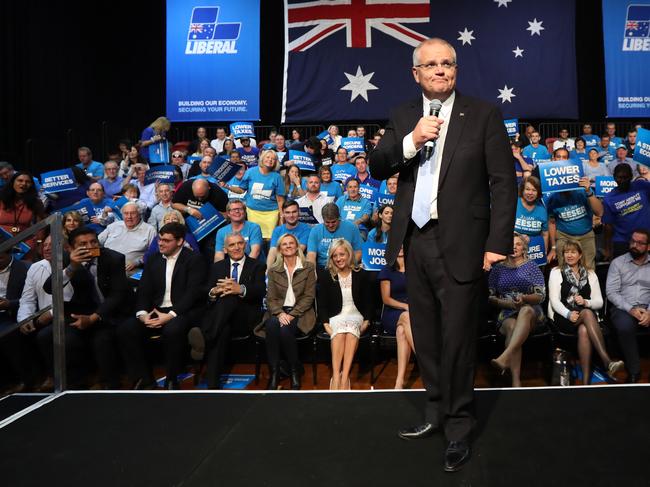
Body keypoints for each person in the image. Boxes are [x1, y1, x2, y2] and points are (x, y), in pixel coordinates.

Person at [369, 37, 516, 471]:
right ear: (416, 74)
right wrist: (412, 140)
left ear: (456, 70)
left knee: (457, 340)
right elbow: (379, 166)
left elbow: (503, 184)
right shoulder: (402, 115)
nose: (439, 70)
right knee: (428, 338)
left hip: (465, 245)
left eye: (447, 63)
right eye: (430, 65)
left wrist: (496, 244)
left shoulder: (484, 114)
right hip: (416, 243)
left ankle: (458, 427)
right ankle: (434, 412)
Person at [40, 227, 132, 389]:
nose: (90, 246)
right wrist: (72, 267)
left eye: (93, 242)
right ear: (71, 248)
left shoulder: (113, 258)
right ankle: (73, 382)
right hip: (85, 311)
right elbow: (49, 287)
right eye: (83, 244)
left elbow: (117, 296)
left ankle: (111, 383)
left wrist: (93, 318)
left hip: (111, 312)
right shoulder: (67, 259)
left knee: (101, 340)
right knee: (50, 335)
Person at [118, 222, 206, 389]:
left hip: (182, 310)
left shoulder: (194, 259)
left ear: (180, 241)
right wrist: (142, 314)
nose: (161, 243)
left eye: (166, 240)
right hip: (155, 309)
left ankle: (172, 378)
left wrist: (171, 315)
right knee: (126, 329)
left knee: (173, 330)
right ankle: (145, 379)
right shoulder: (153, 259)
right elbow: (144, 290)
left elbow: (193, 294)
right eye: (160, 239)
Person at [188, 232, 266, 389]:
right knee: (221, 330)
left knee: (230, 297)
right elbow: (205, 291)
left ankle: (205, 336)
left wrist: (240, 289)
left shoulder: (257, 265)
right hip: (222, 320)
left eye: (239, 243)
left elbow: (260, 290)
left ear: (245, 245)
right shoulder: (217, 267)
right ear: (225, 249)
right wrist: (214, 291)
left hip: (245, 317)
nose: (236, 247)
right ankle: (213, 384)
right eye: (232, 245)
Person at [548, 239, 624, 384]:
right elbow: (554, 301)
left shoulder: (590, 274)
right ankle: (607, 361)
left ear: (580, 255)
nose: (569, 255)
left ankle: (585, 383)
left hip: (585, 318)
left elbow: (599, 302)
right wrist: (568, 314)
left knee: (584, 329)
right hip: (564, 317)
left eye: (573, 252)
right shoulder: (556, 272)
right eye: (566, 252)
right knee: (588, 314)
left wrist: (586, 302)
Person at [257, 233, 316, 389]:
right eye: (284, 244)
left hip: (300, 313)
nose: (288, 246)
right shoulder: (273, 270)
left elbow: (309, 297)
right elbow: (271, 298)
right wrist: (280, 313)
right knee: (271, 325)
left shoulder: (308, 267)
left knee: (284, 330)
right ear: (280, 249)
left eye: (291, 243)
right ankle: (275, 373)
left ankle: (294, 370)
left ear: (297, 247)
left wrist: (291, 315)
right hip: (278, 312)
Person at [488, 233, 546, 387]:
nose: (514, 247)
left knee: (525, 311)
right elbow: (490, 298)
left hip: (531, 310)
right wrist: (509, 304)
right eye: (511, 244)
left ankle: (505, 357)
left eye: (518, 244)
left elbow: (541, 296)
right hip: (506, 311)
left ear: (524, 248)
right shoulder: (497, 269)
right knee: (513, 327)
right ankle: (516, 381)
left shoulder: (532, 267)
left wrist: (525, 299)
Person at [317, 239, 372, 390]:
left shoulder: (361, 274)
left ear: (349, 254)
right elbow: (322, 304)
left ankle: (344, 376)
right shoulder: (327, 275)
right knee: (341, 332)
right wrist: (325, 324)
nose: (339, 258)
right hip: (336, 316)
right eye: (335, 256)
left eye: (342, 254)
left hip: (356, 314)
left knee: (351, 329)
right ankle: (336, 376)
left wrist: (367, 321)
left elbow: (368, 302)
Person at [606, 229, 650, 383]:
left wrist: (649, 312)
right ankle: (634, 371)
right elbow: (611, 292)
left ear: (648, 246)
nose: (634, 245)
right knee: (624, 326)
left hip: (647, 307)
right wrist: (631, 309)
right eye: (632, 241)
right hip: (623, 307)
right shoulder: (618, 263)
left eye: (639, 243)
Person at [546, 148, 603, 267]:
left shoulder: (581, 184)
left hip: (586, 236)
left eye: (564, 157)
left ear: (569, 161)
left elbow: (600, 212)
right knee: (565, 274)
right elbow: (551, 222)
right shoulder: (548, 192)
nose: (561, 160)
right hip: (564, 237)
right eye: (558, 157)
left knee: (589, 273)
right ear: (553, 159)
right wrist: (553, 247)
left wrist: (588, 191)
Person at [227, 150, 285, 239]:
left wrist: (281, 216)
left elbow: (280, 200)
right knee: (254, 238)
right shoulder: (250, 172)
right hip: (252, 212)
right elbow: (241, 190)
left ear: (276, 162)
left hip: (271, 214)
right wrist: (227, 186)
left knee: (270, 240)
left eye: (273, 159)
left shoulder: (277, 177)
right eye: (268, 157)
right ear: (262, 158)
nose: (270, 160)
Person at [378, 247, 412, 389]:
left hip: (414, 312)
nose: (401, 248)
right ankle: (426, 362)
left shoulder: (415, 268)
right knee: (405, 316)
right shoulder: (387, 269)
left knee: (401, 332)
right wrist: (405, 307)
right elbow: (386, 299)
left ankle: (399, 380)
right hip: (393, 312)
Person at [602, 165, 650, 259]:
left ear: (631, 176)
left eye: (625, 177)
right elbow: (608, 226)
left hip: (646, 239)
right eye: (619, 177)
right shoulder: (609, 198)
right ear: (614, 177)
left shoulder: (642, 186)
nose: (622, 181)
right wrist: (607, 248)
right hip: (622, 241)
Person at [98, 201, 157, 275]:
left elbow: (154, 254)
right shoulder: (114, 226)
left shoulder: (150, 230)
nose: (129, 217)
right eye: (126, 213)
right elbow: (97, 242)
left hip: (129, 270)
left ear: (139, 214)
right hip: (105, 266)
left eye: (133, 213)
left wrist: (138, 262)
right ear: (122, 215)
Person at [0, 171, 46, 258]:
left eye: (27, 182)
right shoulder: (1, 199)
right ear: (13, 182)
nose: (24, 184)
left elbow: (41, 226)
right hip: (1, 241)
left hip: (24, 243)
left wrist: (39, 243)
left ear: (31, 185)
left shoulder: (36, 203)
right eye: (20, 180)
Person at [307, 203, 362, 269]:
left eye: (333, 222)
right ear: (323, 220)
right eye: (327, 222)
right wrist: (312, 272)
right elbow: (311, 255)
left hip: (346, 266)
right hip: (323, 267)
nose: (330, 225)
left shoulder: (351, 228)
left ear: (339, 218)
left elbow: (358, 252)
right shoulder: (315, 230)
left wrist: (347, 265)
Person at [267, 200, 311, 268]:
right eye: (287, 212)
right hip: (280, 265)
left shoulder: (306, 229)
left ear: (299, 212)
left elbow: (299, 250)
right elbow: (273, 251)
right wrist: (268, 270)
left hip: (299, 265)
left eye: (294, 212)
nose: (291, 215)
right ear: (283, 214)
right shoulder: (277, 230)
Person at [514, 176, 549, 255]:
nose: (530, 193)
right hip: (513, 248)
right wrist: (519, 236)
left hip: (534, 250)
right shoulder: (514, 203)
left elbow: (545, 234)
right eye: (527, 189)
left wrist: (544, 252)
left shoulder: (542, 210)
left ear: (538, 193)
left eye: (534, 190)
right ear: (522, 190)